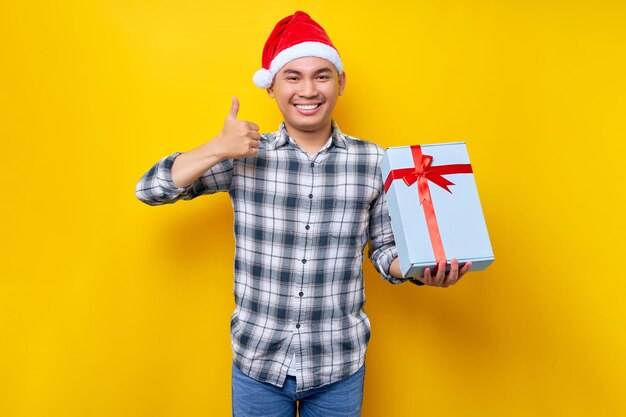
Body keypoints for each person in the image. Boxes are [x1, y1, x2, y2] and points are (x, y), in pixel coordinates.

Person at [135, 11, 471, 417]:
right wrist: (216, 148)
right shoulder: (242, 155)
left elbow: (384, 251)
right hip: (258, 363)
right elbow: (150, 190)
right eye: (292, 77)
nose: (308, 89)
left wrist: (422, 268)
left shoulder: (374, 160)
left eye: (322, 75)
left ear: (341, 82)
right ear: (272, 88)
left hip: (338, 365)